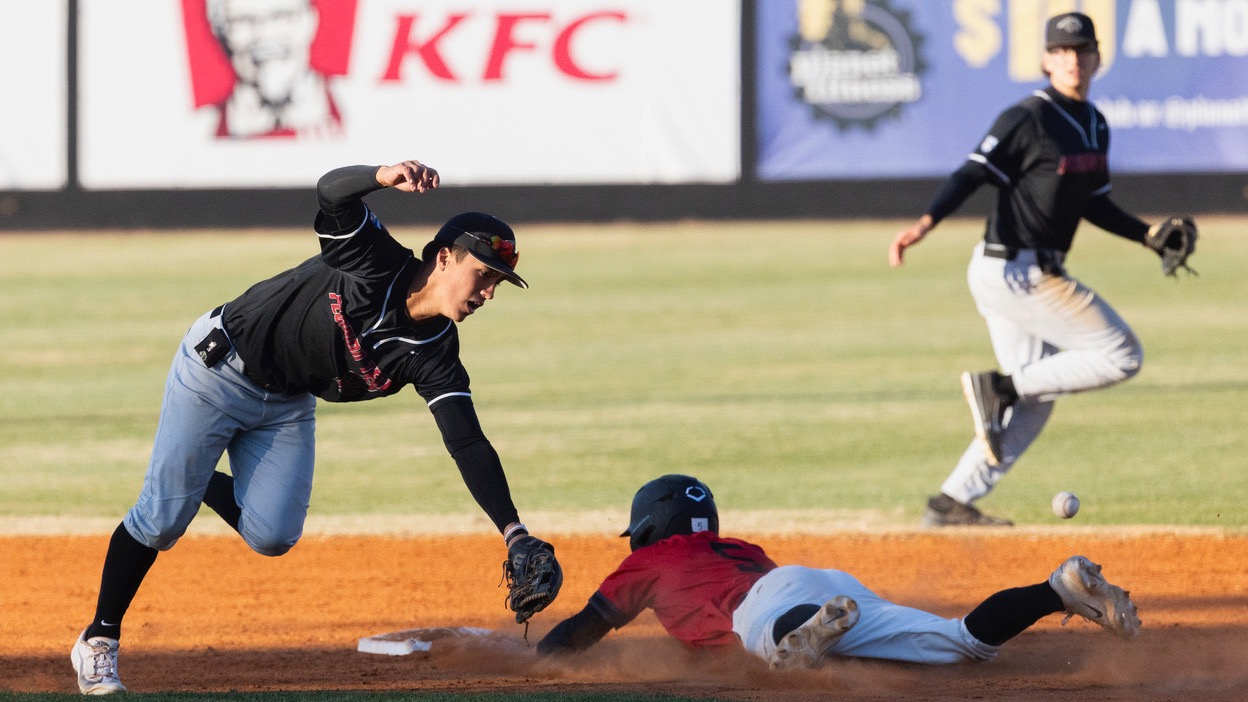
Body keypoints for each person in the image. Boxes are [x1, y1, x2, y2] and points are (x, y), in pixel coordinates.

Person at [71, 159, 560, 694]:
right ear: (444, 257)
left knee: (273, 534)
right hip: (219, 368)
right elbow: (331, 195)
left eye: (498, 283)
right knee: (162, 521)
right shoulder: (373, 261)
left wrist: (513, 531)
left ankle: (192, 477)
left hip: (284, 403)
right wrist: (382, 175)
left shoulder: (435, 352)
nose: (488, 292)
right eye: (485, 274)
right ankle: (99, 641)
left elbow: (466, 440)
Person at [888, 12, 1196, 527]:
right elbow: (972, 172)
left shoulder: (1094, 124)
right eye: (1062, 50)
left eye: (1082, 50)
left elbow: (1093, 202)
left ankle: (950, 502)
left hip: (1028, 273)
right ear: (1046, 60)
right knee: (1122, 355)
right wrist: (926, 223)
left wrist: (1146, 235)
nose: (1073, 59)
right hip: (1015, 272)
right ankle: (1000, 387)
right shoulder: (1026, 117)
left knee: (1039, 395)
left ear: (1097, 57)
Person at [537, 474, 1140, 669]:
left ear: (651, 524)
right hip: (821, 580)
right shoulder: (740, 547)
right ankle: (1054, 589)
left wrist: (539, 660)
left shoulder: (647, 560)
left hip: (771, 607)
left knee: (765, 636)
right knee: (962, 644)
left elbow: (587, 627)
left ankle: (803, 637)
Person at [206, 0, 342, 138]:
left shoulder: (352, 104)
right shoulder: (202, 124)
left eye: (282, 16)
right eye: (243, 21)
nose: (266, 35)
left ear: (310, 21)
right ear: (219, 31)